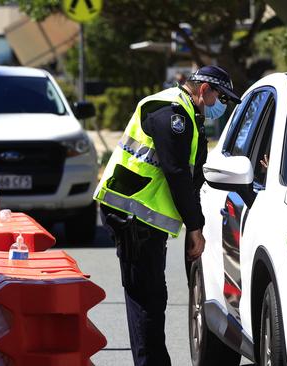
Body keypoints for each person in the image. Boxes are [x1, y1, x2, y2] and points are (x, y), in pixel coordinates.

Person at [93, 65, 240, 366]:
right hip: (133, 213)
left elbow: (192, 174)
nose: (219, 106)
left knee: (148, 297)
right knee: (148, 299)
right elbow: (176, 173)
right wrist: (195, 226)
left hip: (142, 216)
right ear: (203, 90)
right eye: (220, 98)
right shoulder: (173, 114)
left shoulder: (186, 113)